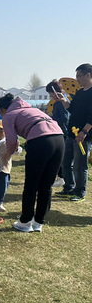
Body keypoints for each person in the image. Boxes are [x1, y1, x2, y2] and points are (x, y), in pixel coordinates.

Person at [0, 93, 65, 232]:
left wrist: (5, 156)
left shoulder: (9, 115)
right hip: (59, 139)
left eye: (0, 113)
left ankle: (25, 221)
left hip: (41, 141)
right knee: (46, 184)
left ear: (2, 109)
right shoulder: (32, 109)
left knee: (31, 184)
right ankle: (38, 222)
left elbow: (11, 141)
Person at [54, 63, 92, 202]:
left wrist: (84, 131)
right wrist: (63, 100)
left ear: (88, 75)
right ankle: (68, 187)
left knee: (79, 164)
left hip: (83, 136)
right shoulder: (80, 92)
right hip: (71, 133)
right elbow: (72, 109)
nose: (77, 80)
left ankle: (80, 191)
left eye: (79, 76)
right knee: (66, 162)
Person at [45, 80, 69, 188]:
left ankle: (61, 178)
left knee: (60, 156)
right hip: (62, 131)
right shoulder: (64, 100)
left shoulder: (60, 102)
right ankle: (61, 177)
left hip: (62, 132)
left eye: (50, 93)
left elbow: (64, 118)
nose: (50, 95)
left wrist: (52, 121)